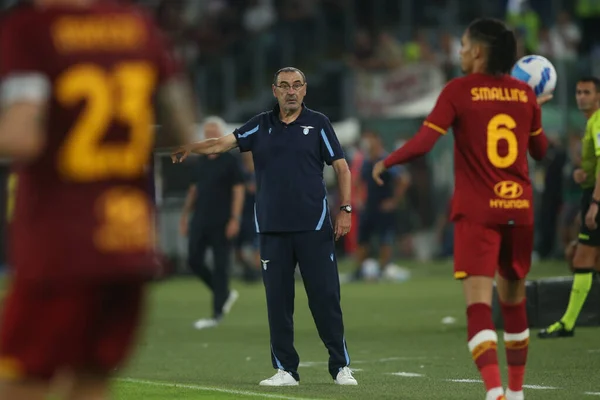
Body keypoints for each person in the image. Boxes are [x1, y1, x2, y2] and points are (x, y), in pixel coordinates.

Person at [0, 0, 195, 399]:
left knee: (22, 380)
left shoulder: (33, 29)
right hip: (128, 242)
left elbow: (23, 136)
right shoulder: (138, 26)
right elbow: (182, 132)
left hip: (61, 245)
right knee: (90, 381)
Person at [372, 18, 551, 400]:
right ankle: (517, 393)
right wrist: (534, 112)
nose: (459, 51)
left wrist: (387, 162)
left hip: (478, 212)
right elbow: (540, 152)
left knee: (478, 306)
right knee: (514, 302)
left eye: (464, 44)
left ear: (479, 52)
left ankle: (495, 392)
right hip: (519, 210)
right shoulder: (524, 95)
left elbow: (423, 142)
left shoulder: (458, 91)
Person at [172, 67, 357, 387]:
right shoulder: (259, 125)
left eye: (296, 85)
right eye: (284, 86)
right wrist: (191, 147)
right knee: (278, 303)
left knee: (325, 298)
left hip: (313, 228)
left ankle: (340, 366)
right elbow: (219, 144)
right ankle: (286, 369)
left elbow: (341, 168)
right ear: (274, 91)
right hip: (272, 230)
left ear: (304, 90)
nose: (291, 91)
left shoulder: (319, 124)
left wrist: (345, 209)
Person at [538, 77, 600, 339]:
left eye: (587, 92)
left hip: (596, 198)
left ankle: (567, 323)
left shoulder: (598, 122)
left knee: (582, 257)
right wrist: (584, 173)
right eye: (578, 92)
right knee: (585, 258)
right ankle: (568, 323)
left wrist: (595, 203)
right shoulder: (591, 123)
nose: (581, 97)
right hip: (591, 192)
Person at [179, 116, 244, 330]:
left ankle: (216, 313)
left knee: (220, 266)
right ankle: (224, 293)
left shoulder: (231, 160)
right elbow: (193, 191)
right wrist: (184, 216)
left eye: (213, 131)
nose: (209, 134)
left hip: (223, 220)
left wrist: (235, 218)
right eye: (206, 131)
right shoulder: (200, 162)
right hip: (200, 218)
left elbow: (238, 190)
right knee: (194, 260)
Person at [352, 130, 410, 280]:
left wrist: (394, 201)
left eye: (370, 140)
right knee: (362, 239)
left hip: (383, 207)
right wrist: (359, 199)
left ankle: (384, 269)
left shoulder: (386, 160)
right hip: (369, 206)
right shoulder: (366, 161)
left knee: (385, 239)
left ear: (377, 141)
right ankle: (359, 271)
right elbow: (358, 181)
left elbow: (403, 179)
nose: (367, 143)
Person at [233, 151, 261, 282]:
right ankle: (249, 270)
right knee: (237, 251)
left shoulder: (260, 171)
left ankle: (257, 274)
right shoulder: (240, 172)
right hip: (242, 214)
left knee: (257, 247)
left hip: (257, 214)